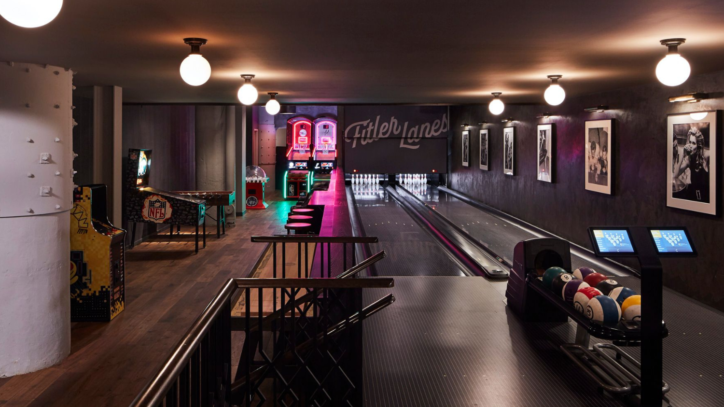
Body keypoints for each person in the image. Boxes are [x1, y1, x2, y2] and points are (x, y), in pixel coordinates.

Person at [673, 125, 710, 202]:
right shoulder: (690, 159)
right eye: (689, 142)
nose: (690, 145)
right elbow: (675, 174)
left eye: (693, 143)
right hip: (694, 197)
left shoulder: (707, 156)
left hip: (707, 198)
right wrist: (682, 153)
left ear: (698, 145)